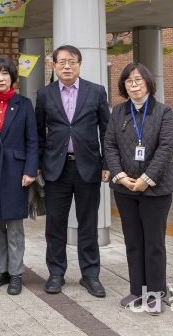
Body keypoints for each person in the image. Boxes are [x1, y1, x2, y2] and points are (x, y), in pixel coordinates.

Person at [36, 44, 110, 298]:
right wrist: (38, 164)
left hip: (88, 167)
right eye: (62, 62)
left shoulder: (96, 91)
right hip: (56, 169)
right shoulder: (44, 94)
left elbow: (106, 131)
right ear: (54, 65)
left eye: (72, 62)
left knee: (88, 223)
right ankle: (56, 273)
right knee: (55, 224)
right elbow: (38, 133)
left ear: (79, 64)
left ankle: (90, 275)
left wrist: (107, 164)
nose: (67, 66)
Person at [104, 63, 173, 315]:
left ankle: (156, 293)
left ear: (148, 82)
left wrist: (146, 178)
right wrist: (121, 177)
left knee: (154, 243)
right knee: (133, 241)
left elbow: (166, 147)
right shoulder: (118, 112)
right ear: (123, 85)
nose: (133, 85)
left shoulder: (163, 112)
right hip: (125, 189)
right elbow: (110, 145)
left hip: (155, 189)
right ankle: (137, 290)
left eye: (138, 80)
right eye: (128, 81)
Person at [0, 56, 38, 296]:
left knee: (14, 226)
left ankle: (16, 273)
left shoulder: (24, 104)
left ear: (12, 78)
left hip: (16, 171)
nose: (0, 78)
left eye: (5, 74)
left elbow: (32, 140)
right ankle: (0, 270)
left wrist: (30, 170)